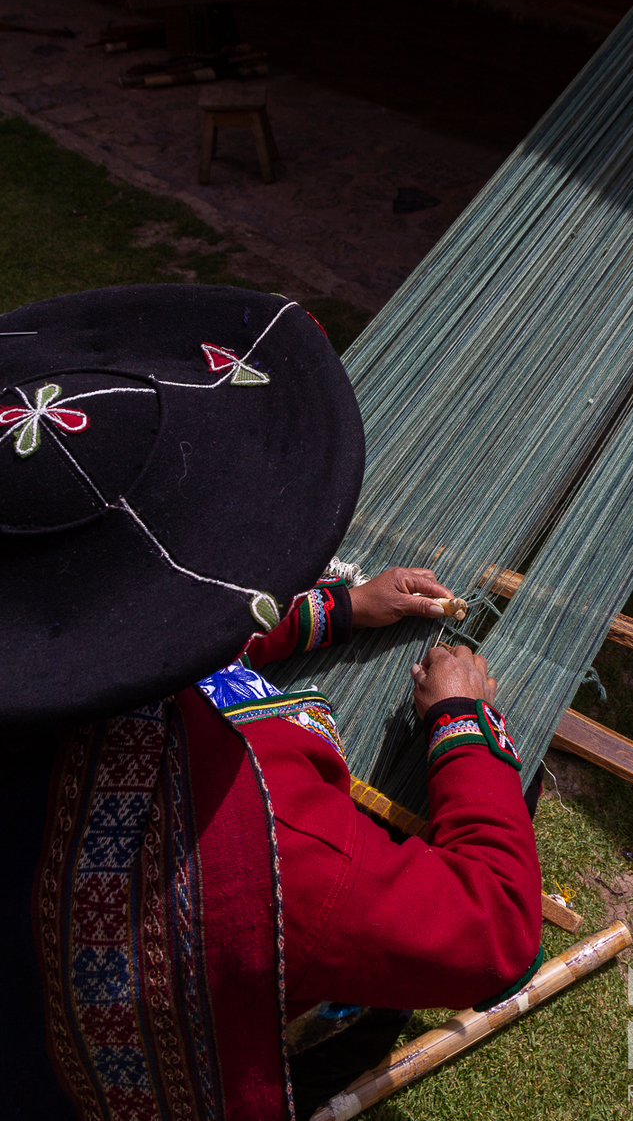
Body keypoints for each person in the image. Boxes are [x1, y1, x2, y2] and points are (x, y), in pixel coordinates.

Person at [1, 285, 544, 1121]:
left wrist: (335, 609)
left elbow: (99, 626)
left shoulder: (49, 676)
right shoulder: (266, 850)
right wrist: (463, 728)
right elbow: (495, 931)